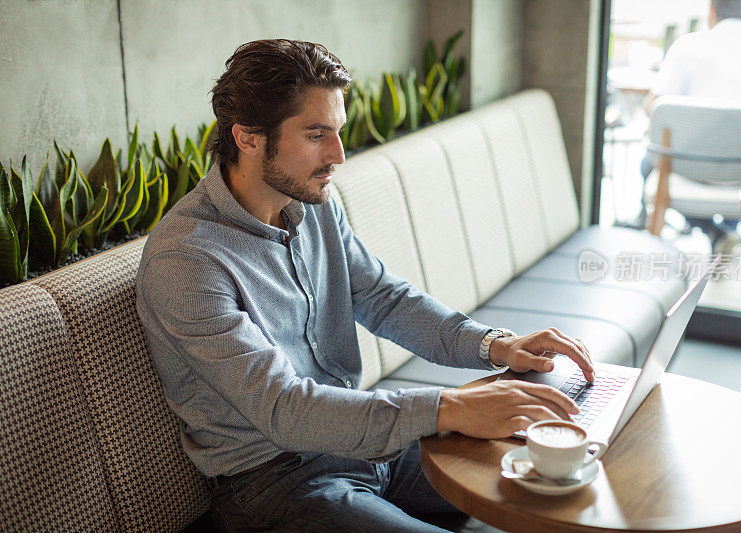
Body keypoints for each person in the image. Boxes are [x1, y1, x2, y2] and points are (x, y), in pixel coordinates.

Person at [136, 39, 595, 532]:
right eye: (316, 135)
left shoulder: (314, 204)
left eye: (338, 132)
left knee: (566, 472)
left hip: (368, 443)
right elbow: (284, 408)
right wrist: (450, 407)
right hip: (279, 483)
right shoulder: (186, 259)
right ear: (247, 137)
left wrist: (495, 345)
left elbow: (383, 298)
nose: (338, 154)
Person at [634, 0, 741, 235]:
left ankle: (717, 234)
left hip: (693, 169)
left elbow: (654, 108)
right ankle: (725, 236)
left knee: (650, 165)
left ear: (711, 10)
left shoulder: (688, 45)